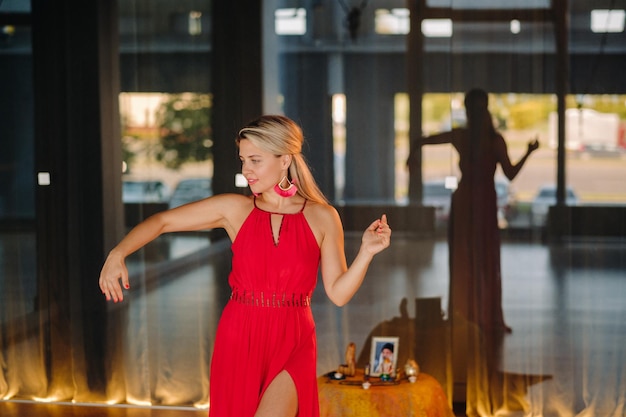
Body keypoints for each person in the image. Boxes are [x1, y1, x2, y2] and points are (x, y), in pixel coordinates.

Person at [98, 114, 391, 417]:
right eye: (243, 160)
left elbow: (339, 294)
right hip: (240, 336)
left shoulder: (323, 216)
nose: (246, 171)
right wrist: (118, 253)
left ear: (284, 160)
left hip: (295, 339)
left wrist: (366, 252)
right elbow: (162, 221)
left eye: (255, 160)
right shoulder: (234, 210)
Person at [419, 88, 538, 333]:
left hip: (477, 203)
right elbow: (510, 173)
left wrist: (528, 152)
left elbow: (510, 173)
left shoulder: (481, 139)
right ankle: (470, 315)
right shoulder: (479, 138)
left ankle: (478, 315)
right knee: (473, 258)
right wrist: (528, 152)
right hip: (473, 203)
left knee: (478, 258)